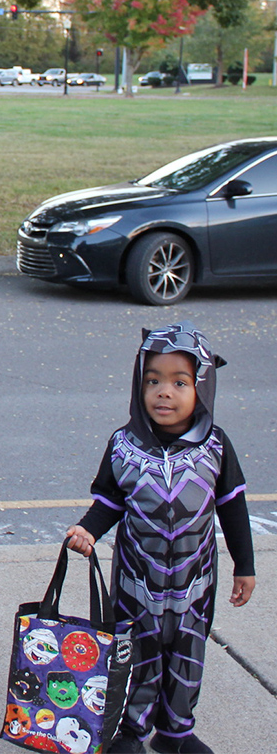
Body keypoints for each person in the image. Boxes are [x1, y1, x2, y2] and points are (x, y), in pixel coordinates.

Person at [66, 322, 255, 754]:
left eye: (179, 382)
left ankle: (175, 734)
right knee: (139, 656)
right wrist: (88, 530)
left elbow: (233, 508)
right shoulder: (124, 445)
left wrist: (245, 567)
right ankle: (130, 732)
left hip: (195, 584)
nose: (163, 392)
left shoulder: (215, 448)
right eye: (152, 381)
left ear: (202, 387)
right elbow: (110, 502)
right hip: (137, 582)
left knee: (187, 657)